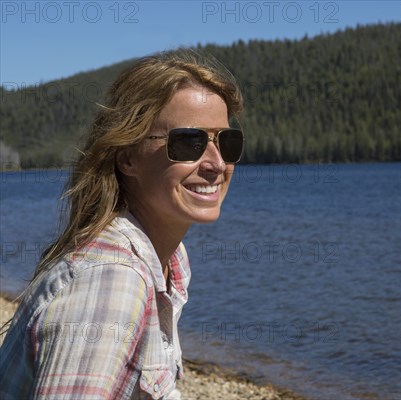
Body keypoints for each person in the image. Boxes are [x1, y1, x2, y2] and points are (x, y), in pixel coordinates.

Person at [0, 51, 244, 398]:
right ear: (127, 157)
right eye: (189, 143)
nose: (217, 164)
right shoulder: (112, 280)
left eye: (227, 142)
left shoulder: (169, 260)